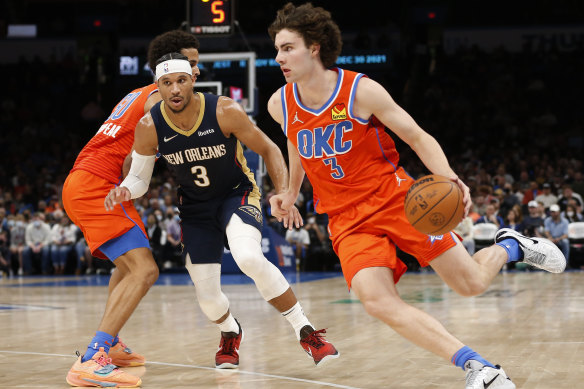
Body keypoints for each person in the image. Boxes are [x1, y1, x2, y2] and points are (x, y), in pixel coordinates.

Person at [266, 3, 566, 388]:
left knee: (470, 284)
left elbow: (417, 137)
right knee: (376, 301)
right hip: (346, 220)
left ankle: (512, 246)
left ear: (315, 48)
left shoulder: (361, 90)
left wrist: (451, 178)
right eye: (277, 49)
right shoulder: (281, 104)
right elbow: (296, 141)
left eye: (287, 48)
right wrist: (290, 191)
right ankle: (479, 367)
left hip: (397, 201)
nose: (279, 58)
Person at [104, 52, 338, 370]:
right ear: (156, 86)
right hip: (195, 209)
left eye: (181, 81)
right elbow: (139, 180)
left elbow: (269, 148)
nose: (174, 89)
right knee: (208, 296)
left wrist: (284, 192)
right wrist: (125, 189)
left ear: (193, 79)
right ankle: (230, 332)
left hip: (236, 194)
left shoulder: (224, 109)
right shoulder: (149, 126)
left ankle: (306, 332)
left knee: (249, 258)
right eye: (166, 83)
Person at [62, 30, 202, 387]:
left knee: (127, 269)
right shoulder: (159, 100)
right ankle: (93, 357)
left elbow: (129, 163)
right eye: (191, 63)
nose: (196, 71)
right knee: (145, 270)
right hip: (97, 185)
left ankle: (113, 344)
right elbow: (132, 163)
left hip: (85, 182)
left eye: (196, 65)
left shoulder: (136, 94)